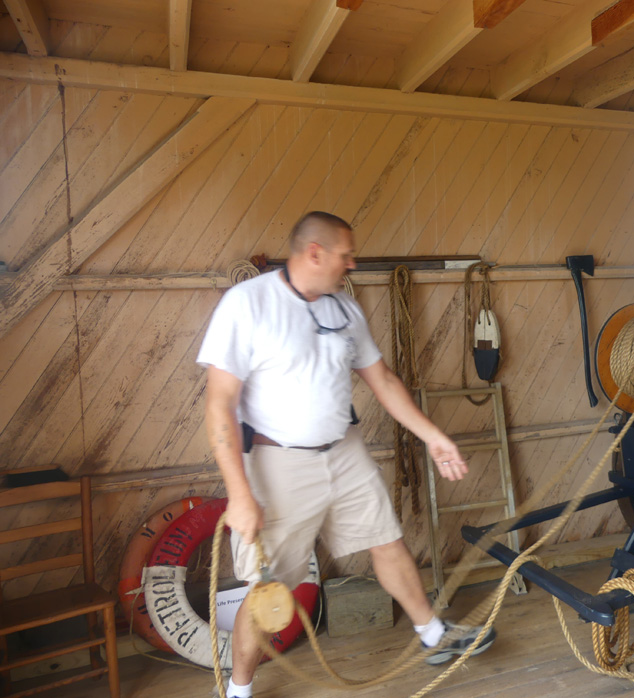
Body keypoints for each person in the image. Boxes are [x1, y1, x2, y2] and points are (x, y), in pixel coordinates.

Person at [197, 211, 496, 698]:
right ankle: (238, 689)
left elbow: (383, 381)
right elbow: (219, 405)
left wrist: (432, 435)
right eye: (346, 255)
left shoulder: (344, 309)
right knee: (268, 594)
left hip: (345, 450)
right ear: (314, 252)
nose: (352, 264)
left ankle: (434, 636)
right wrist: (239, 494)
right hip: (278, 464)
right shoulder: (247, 305)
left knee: (387, 541)